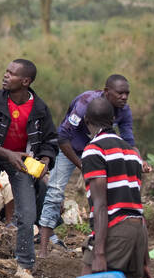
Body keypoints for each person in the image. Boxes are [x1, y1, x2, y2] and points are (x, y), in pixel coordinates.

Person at [0, 58, 58, 278]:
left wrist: (45, 159)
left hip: (22, 162)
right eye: (6, 71)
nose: (6, 76)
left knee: (27, 213)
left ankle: (24, 267)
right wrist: (4, 152)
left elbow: (50, 139)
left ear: (25, 81)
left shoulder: (39, 108)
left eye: (12, 73)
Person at [38, 75, 137, 258]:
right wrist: (82, 164)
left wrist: (138, 161)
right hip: (72, 148)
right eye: (120, 93)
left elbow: (128, 140)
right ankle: (43, 250)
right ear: (106, 92)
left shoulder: (123, 110)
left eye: (127, 94)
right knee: (55, 191)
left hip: (100, 151)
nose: (124, 97)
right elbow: (63, 136)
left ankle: (108, 244)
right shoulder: (85, 103)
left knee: (109, 194)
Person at [80, 97, 151, 278]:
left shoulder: (93, 150)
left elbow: (101, 204)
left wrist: (100, 253)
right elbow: (135, 204)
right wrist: (144, 256)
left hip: (115, 229)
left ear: (86, 120)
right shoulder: (132, 153)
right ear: (112, 120)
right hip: (138, 232)